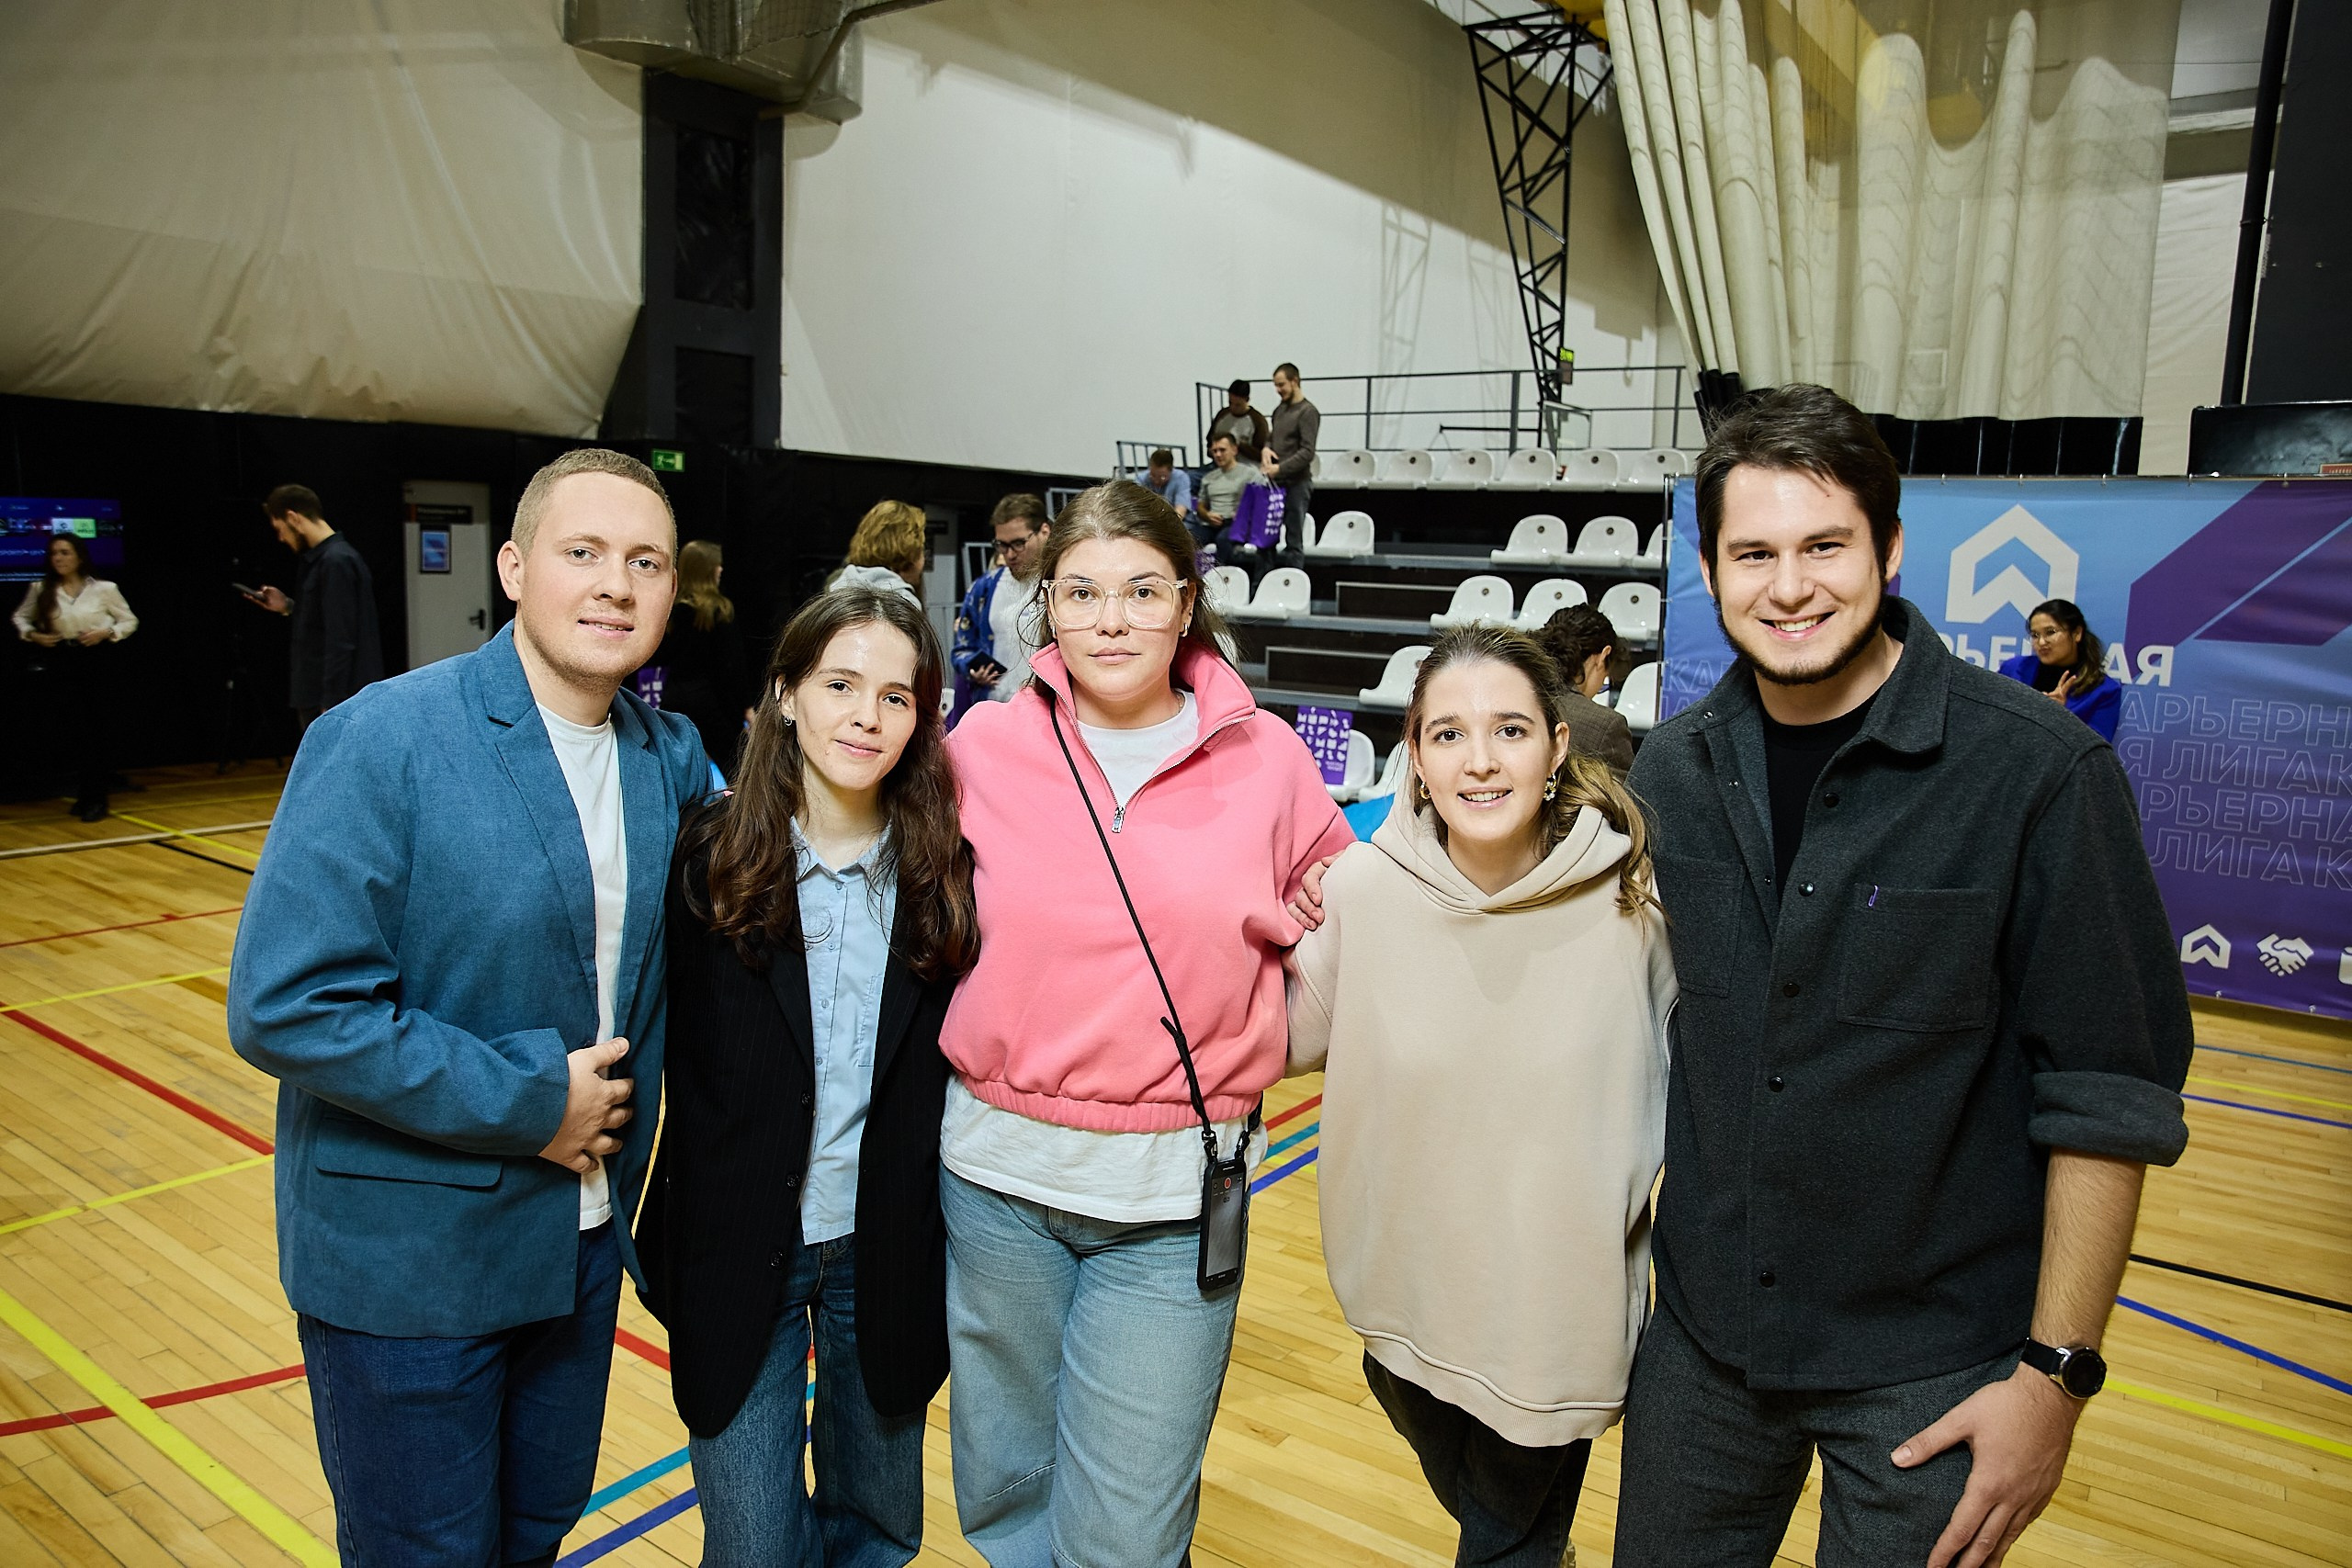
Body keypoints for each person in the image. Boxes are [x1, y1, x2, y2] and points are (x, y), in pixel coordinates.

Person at [1612, 385, 2191, 1567]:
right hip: (1706, 1347)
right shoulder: (1667, 773)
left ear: (1888, 548)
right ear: (1709, 570)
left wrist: (2056, 1377)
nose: (1788, 587)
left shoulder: (2040, 775)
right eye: (1753, 553)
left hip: (1932, 1369)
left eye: (1824, 546)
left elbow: (2105, 1095)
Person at [227, 448, 710, 1566]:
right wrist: (534, 1098)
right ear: (512, 566)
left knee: (533, 1535)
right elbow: (288, 1006)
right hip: (410, 1261)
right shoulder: (384, 737)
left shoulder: (667, 757)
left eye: (645, 562)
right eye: (582, 553)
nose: (614, 586)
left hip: (578, 1248)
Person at [939, 479, 1355, 1566]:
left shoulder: (1263, 756)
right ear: (1047, 609)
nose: (1110, 619)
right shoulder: (979, 745)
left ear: (1185, 601)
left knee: (1128, 1530)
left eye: (1139, 591)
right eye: (1081, 593)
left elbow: (1344, 921)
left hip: (1174, 1202)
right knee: (1008, 1495)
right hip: (995, 1190)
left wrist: (1314, 925)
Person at [1288, 625, 1675, 1568]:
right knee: (1508, 1530)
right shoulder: (1366, 890)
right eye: (1448, 734)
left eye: (1508, 729)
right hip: (1403, 1300)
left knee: (1502, 1541)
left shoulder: (1638, 902)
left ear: (1555, 746)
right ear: (1414, 757)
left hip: (1556, 1318)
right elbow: (1282, 1038)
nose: (1480, 760)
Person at [635, 584, 979, 1566]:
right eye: (839, 684)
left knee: (874, 1532)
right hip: (738, 1251)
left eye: (896, 696)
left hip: (882, 1255)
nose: (865, 716)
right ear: (784, 693)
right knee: (753, 1548)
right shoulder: (706, 856)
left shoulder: (942, 872)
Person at [13, 533, 138, 820]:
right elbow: (21, 617)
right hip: (62, 659)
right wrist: (34, 635)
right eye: (55, 553)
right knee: (73, 730)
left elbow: (129, 620)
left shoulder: (104, 589)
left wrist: (106, 632)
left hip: (96, 658)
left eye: (65, 552)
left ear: (79, 556)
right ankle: (84, 794)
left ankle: (96, 798)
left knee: (96, 730)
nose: (59, 558)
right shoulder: (41, 588)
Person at [246, 484, 384, 733]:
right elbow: (326, 622)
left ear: (293, 518)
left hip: (331, 701)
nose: (281, 538)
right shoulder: (325, 560)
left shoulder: (336, 561)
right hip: (323, 697)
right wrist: (287, 606)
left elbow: (341, 639)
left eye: (280, 529)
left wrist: (331, 704)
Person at [658, 539, 754, 777]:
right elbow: (732, 665)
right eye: (717, 564)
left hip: (673, 699)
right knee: (738, 771)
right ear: (707, 569)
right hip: (713, 703)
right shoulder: (719, 609)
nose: (721, 569)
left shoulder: (669, 611)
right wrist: (745, 706)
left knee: (679, 770)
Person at [953, 493, 1051, 711]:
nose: (1009, 554)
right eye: (1001, 545)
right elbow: (962, 648)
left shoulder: (1060, 586)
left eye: (1018, 544)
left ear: (1044, 531)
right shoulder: (984, 588)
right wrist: (971, 668)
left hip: (1044, 710)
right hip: (994, 707)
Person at [1998, 599, 2120, 741]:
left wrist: (2061, 717)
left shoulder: (2105, 690)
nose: (2041, 642)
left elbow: (2096, 752)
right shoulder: (2012, 669)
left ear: (2077, 633)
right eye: (2035, 635)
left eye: (2051, 632)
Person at [1537, 602, 1636, 775]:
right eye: (1606, 675)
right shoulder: (1606, 724)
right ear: (1603, 655)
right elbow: (1624, 800)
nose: (1601, 684)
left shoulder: (1515, 699)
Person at [1260, 363, 1319, 547]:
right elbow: (1272, 436)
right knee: (1267, 538)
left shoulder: (1308, 412)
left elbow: (1307, 451)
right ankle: (1265, 576)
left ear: (1295, 381)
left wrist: (1280, 468)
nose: (1278, 390)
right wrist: (1266, 448)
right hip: (1276, 483)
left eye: (1281, 384)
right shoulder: (1279, 410)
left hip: (1296, 484)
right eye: (1276, 385)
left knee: (1293, 540)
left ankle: (1295, 576)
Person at [831, 500, 929, 594]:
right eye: (920, 550)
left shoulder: (836, 589)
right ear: (907, 557)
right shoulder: (902, 600)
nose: (923, 561)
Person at [1193, 433, 1263, 551]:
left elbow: (1260, 501)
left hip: (1237, 523)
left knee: (1223, 539)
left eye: (1222, 450)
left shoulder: (1250, 474)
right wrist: (1207, 515)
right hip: (1211, 523)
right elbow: (1201, 505)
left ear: (1234, 450)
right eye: (1214, 451)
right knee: (1189, 538)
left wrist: (1244, 514)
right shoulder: (1208, 478)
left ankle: (1224, 569)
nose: (1218, 455)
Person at [1206, 378, 1269, 464]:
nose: (1233, 408)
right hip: (1218, 464)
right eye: (1230, 403)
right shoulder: (1222, 414)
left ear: (1247, 400)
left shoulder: (1257, 420)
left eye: (1238, 405)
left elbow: (1261, 454)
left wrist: (1240, 446)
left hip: (1245, 465)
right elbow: (1210, 440)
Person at [1136, 448, 1193, 517]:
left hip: (1174, 518)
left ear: (1171, 470)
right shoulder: (1141, 478)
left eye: (1162, 477)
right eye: (1153, 475)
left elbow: (1181, 509)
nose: (1156, 481)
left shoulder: (1181, 478)